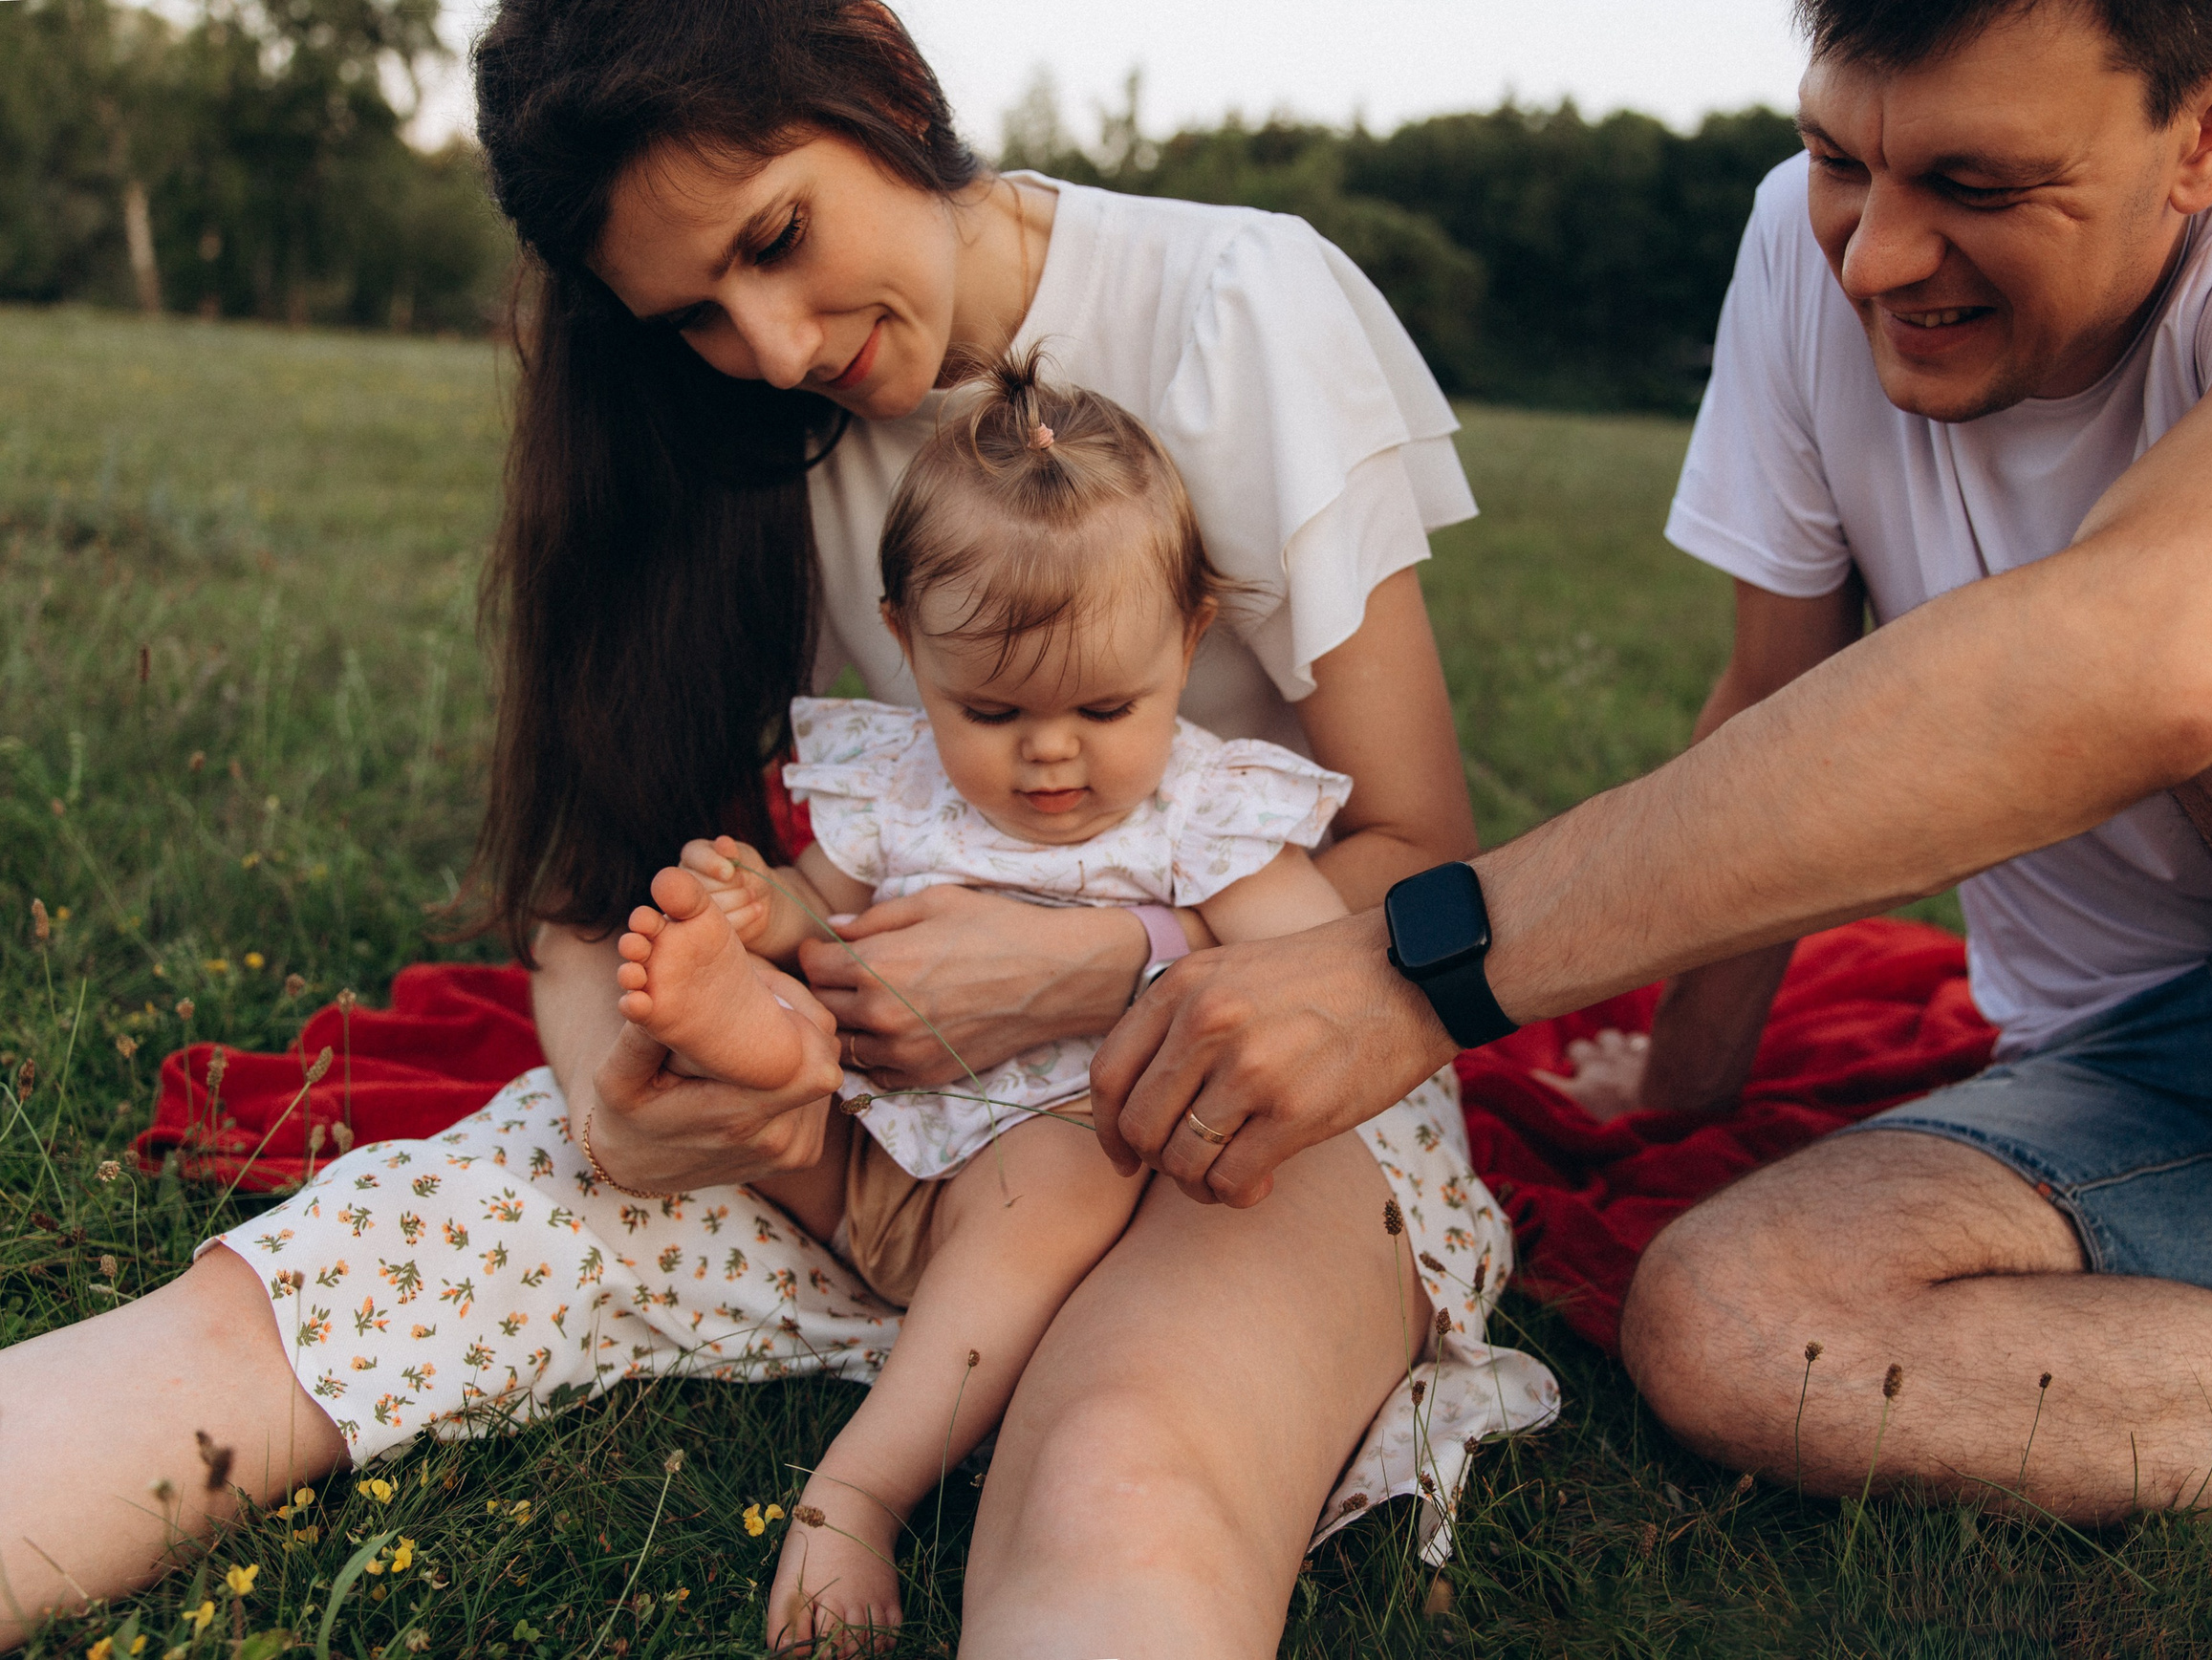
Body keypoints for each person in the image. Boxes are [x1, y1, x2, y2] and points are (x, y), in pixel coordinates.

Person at [0, 1, 1554, 1652]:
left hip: (1260, 1092)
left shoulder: (1237, 308)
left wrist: (1105, 960)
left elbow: (1413, 869)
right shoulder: (734, 406)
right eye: (697, 312)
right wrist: (622, 1106)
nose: (780, 345)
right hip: (877, 1112)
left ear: (876, 86)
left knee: (1120, 1475)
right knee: (329, 1284)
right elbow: (607, 871)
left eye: (781, 237)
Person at [1091, 0, 2212, 1539]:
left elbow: (2172, 649)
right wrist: (1678, 1091)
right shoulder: (1808, 256)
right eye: (1835, 158)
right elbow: (1772, 700)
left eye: (1978, 187)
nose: (1873, 256)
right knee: (1735, 1320)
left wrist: (1415, 972)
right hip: (2155, 1076)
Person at [618, 351, 1366, 1648]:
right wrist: (768, 913)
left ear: (1188, 641)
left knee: (1065, 1171)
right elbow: (824, 904)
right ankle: (743, 1034)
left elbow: (1319, 969)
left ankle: (855, 1489)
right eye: (992, 707)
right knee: (785, 1043)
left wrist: (1163, 956)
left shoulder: (1199, 811)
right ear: (906, 646)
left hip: (1025, 1181)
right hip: (851, 1134)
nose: (1051, 749)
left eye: (1105, 704)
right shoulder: (899, 779)